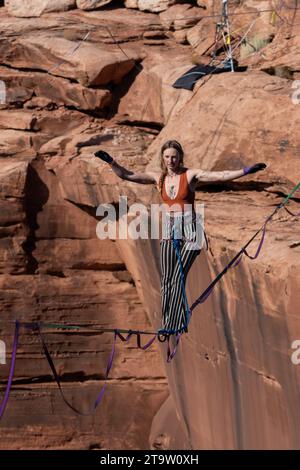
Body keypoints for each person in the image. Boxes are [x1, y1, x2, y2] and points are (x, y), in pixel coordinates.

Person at [93, 140, 266, 333]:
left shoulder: (190, 175)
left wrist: (245, 171)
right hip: (169, 230)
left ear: (180, 157)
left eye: (174, 156)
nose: (170, 160)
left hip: (191, 230)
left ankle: (176, 323)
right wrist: (110, 161)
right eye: (167, 156)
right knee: (167, 279)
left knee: (177, 277)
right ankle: (168, 324)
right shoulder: (158, 178)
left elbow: (220, 176)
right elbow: (127, 175)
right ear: (163, 158)